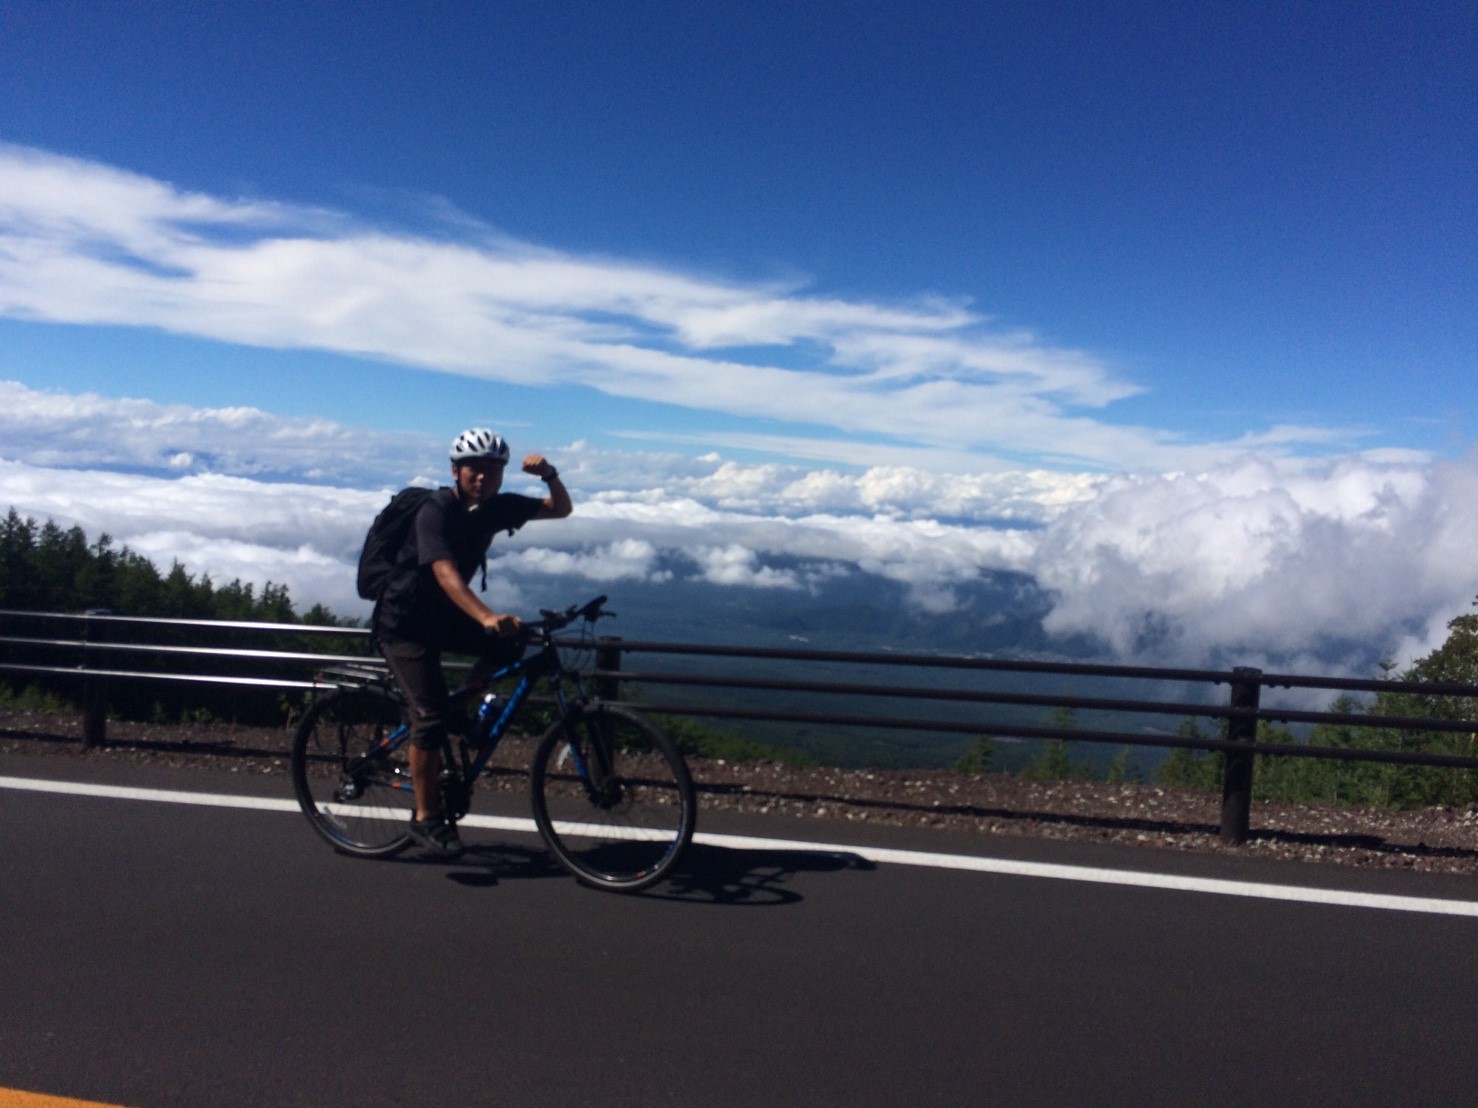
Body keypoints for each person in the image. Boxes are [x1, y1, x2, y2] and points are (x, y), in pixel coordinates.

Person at [374, 427, 572, 857]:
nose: (483, 477)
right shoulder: (435, 511)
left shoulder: (496, 508)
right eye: (474, 469)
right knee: (428, 717)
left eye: (492, 470)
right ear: (455, 471)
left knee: (508, 646)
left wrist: (549, 474)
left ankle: (459, 712)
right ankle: (425, 818)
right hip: (404, 624)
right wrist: (485, 616)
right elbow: (443, 571)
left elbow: (560, 509)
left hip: (445, 618)